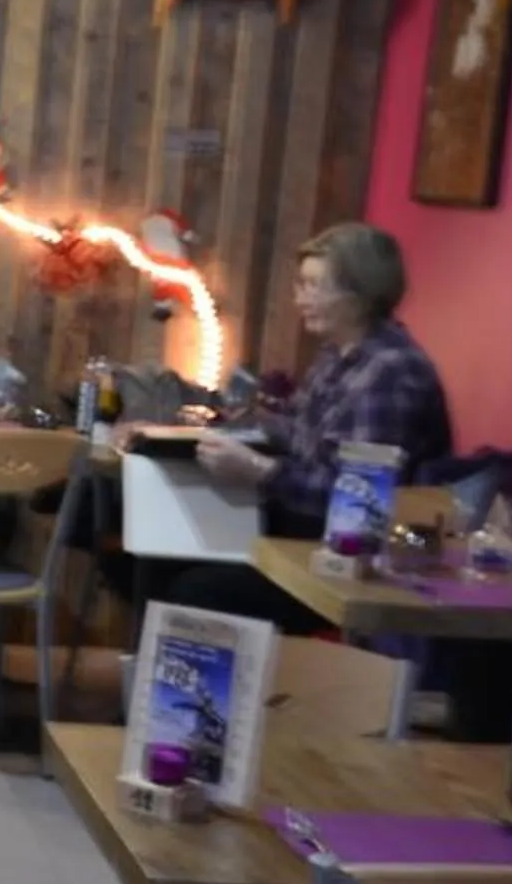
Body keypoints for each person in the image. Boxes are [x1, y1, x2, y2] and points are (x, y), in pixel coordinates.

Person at [170, 222, 454, 633]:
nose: (299, 299)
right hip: (303, 528)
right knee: (151, 547)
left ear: (362, 292)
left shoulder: (390, 373)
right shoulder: (339, 353)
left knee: (194, 587)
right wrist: (242, 423)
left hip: (351, 559)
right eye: (300, 285)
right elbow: (302, 431)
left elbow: (356, 505)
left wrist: (259, 470)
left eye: (313, 286)